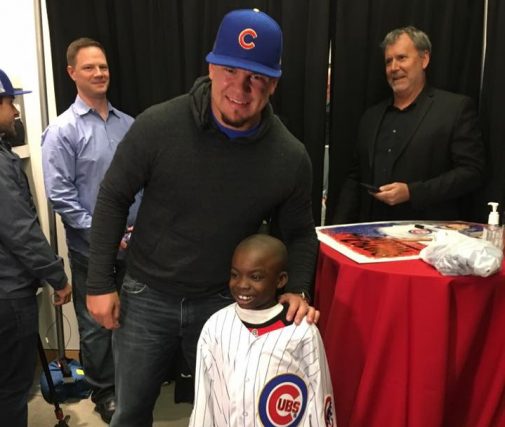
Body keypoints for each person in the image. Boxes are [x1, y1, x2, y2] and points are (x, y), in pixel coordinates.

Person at [86, 8, 319, 426]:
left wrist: (299, 287)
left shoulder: (289, 156)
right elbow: (112, 198)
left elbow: (300, 232)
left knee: (229, 411)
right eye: (231, 69)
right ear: (211, 67)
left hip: (225, 302)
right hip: (146, 296)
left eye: (257, 77)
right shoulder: (158, 125)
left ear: (273, 84)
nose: (241, 87)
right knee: (131, 412)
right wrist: (99, 283)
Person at [41, 38, 139, 423]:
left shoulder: (129, 125)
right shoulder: (62, 131)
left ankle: (131, 384)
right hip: (91, 252)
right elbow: (61, 196)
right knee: (97, 325)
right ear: (71, 73)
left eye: (103, 66)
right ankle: (105, 392)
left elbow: (143, 184)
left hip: (134, 247)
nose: (99, 73)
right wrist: (103, 233)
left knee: (132, 319)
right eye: (89, 68)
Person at [334, 26, 485, 223]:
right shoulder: (371, 116)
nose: (394, 67)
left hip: (427, 241)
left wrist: (412, 192)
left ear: (424, 59)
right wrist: (335, 231)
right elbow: (355, 178)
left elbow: (472, 172)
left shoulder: (455, 109)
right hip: (370, 238)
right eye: (389, 61)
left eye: (402, 58)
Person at [189, 234, 336, 427]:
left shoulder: (301, 330)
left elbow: (320, 398)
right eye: (235, 274)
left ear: (281, 280)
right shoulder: (216, 325)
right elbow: (204, 399)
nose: (242, 284)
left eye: (255, 277)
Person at [0, 68, 72, 427]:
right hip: (7, 294)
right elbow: (19, 230)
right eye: (10, 102)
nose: (15, 112)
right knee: (11, 388)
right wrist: (57, 276)